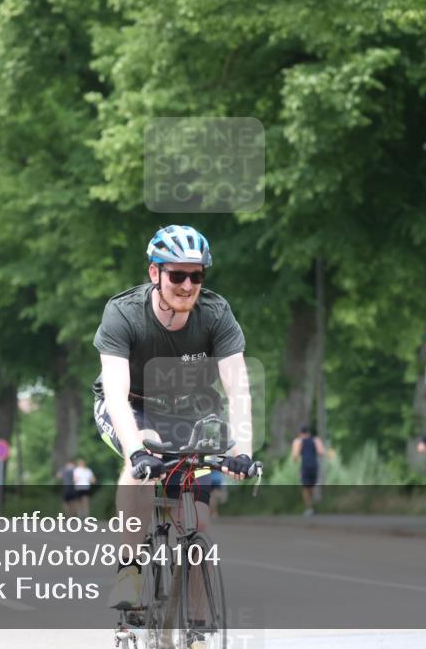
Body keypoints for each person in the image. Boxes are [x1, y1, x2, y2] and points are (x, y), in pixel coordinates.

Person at [92, 224, 256, 615]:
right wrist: (136, 451)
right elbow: (115, 392)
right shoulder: (123, 313)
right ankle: (130, 567)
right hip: (134, 406)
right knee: (141, 456)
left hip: (191, 410)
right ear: (155, 273)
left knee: (198, 523)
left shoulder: (216, 314)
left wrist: (243, 452)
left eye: (195, 276)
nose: (186, 285)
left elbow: (238, 389)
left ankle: (196, 630)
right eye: (176, 275)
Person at [291, 424, 325, 516]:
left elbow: (295, 457)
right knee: (312, 486)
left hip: (305, 466)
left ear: (300, 433)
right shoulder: (316, 440)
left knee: (305, 488)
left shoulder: (298, 441)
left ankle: (309, 508)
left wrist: (300, 446)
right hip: (314, 465)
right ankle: (313, 506)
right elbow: (321, 453)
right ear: (308, 433)